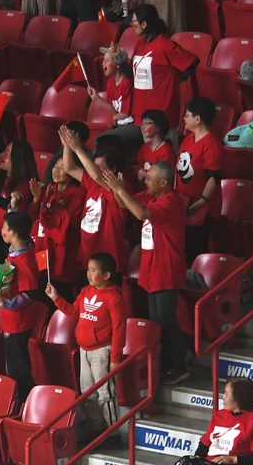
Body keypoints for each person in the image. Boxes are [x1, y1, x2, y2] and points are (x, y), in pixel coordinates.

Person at [101, 161, 190, 384]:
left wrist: (121, 189)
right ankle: (169, 362)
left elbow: (141, 214)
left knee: (163, 322)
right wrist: (117, 187)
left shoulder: (171, 201)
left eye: (149, 178)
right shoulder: (152, 195)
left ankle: (178, 366)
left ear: (163, 182)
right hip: (152, 270)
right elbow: (125, 205)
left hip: (166, 270)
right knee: (158, 320)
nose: (145, 180)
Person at [47, 253, 128, 445]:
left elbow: (119, 328)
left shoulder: (114, 298)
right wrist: (56, 298)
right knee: (87, 392)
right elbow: (74, 312)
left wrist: (115, 357)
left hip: (103, 352)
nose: (89, 274)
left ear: (107, 274)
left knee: (105, 394)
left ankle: (113, 433)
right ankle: (97, 429)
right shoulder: (85, 291)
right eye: (88, 270)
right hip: (84, 350)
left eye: (94, 270)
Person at [61, 127, 129, 272]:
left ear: (113, 169)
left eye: (99, 167)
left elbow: (97, 176)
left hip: (107, 265)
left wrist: (78, 149)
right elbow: (70, 168)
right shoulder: (93, 184)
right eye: (94, 166)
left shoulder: (117, 189)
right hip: (87, 257)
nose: (94, 170)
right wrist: (67, 146)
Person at [0, 211, 42, 399]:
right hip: (9, 321)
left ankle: (26, 402)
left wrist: (4, 302)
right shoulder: (15, 254)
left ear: (11, 232)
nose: (1, 231)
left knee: (18, 368)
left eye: (3, 228)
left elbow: (29, 294)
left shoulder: (25, 260)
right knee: (12, 365)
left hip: (18, 323)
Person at [124, 4, 199, 131]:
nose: (132, 25)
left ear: (144, 24)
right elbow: (132, 76)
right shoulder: (140, 45)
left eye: (134, 22)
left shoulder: (165, 45)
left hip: (162, 114)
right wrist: (120, 60)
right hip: (142, 112)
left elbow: (192, 62)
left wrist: (176, 79)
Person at [29, 154, 86, 297]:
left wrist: (54, 204)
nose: (57, 170)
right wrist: (37, 199)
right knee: (41, 287)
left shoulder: (77, 194)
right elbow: (35, 218)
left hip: (62, 252)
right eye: (56, 165)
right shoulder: (49, 188)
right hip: (43, 248)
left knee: (59, 293)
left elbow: (69, 223)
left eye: (62, 167)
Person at [177, 97, 223, 263]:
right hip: (185, 201)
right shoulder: (189, 138)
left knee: (195, 247)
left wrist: (202, 201)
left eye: (187, 115)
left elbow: (214, 177)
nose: (184, 118)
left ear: (198, 119)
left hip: (200, 206)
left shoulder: (211, 144)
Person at [0, 140, 39, 263]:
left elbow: (7, 205)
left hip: (11, 238)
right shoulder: (3, 177)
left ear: (18, 159)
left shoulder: (27, 184)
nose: (2, 156)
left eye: (7, 153)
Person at [194, 378, 253, 465]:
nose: (223, 397)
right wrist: (196, 458)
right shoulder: (219, 415)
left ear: (238, 399)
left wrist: (233, 460)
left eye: (226, 394)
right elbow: (204, 444)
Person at [88, 46, 133, 127]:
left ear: (118, 65)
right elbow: (113, 110)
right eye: (104, 59)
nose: (103, 63)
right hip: (120, 124)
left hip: (131, 124)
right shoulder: (110, 83)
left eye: (108, 60)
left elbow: (126, 114)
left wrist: (115, 118)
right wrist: (96, 97)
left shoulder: (127, 83)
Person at [137, 110, 176, 181]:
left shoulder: (166, 151)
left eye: (147, 123)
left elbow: (166, 178)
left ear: (158, 127)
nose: (143, 127)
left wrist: (146, 175)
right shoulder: (144, 148)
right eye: (142, 124)